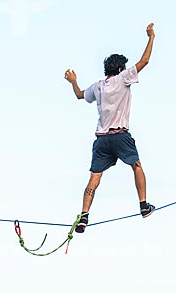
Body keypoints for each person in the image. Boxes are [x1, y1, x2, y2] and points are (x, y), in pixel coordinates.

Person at [64, 23, 156, 233]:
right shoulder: (124, 78)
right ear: (120, 69)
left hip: (102, 139)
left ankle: (84, 217)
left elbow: (80, 95)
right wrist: (151, 37)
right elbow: (145, 61)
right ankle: (143, 206)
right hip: (120, 135)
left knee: (94, 179)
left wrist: (73, 81)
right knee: (137, 166)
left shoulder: (98, 86)